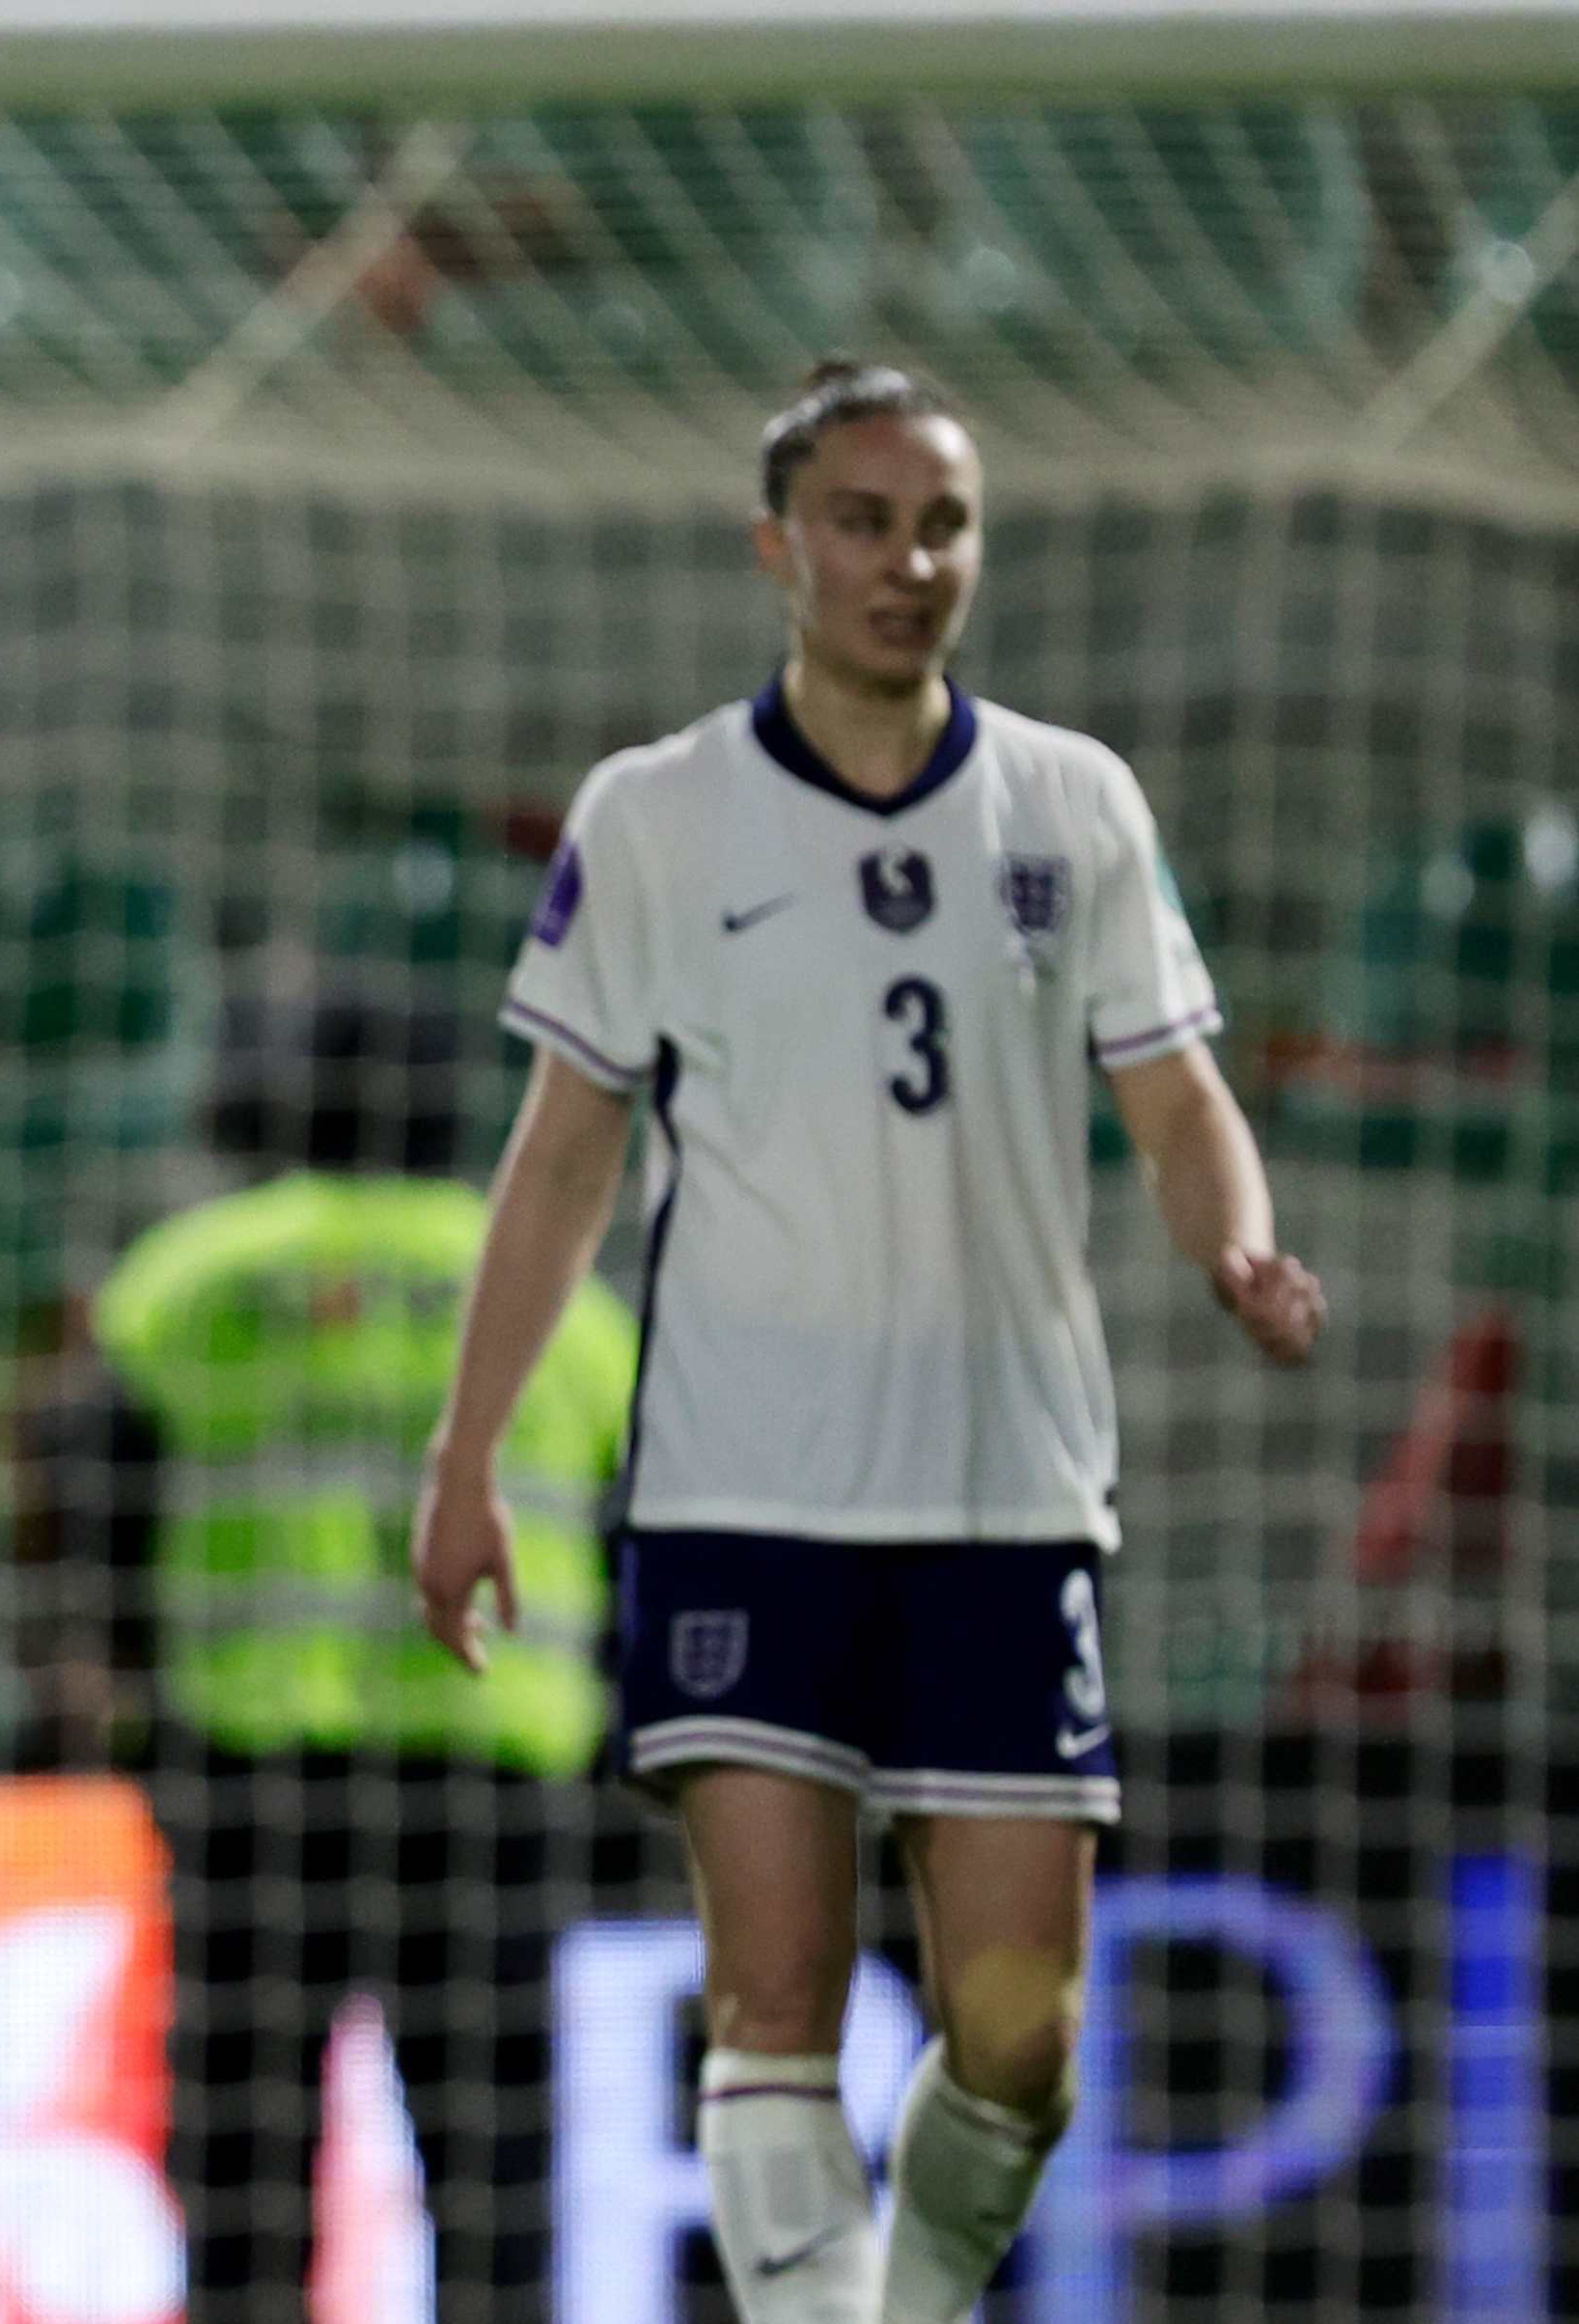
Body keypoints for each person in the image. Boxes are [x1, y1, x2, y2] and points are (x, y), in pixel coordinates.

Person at [409, 359, 1326, 2324]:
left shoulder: (1069, 803)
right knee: (770, 2003)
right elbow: (559, 1158)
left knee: (1018, 2038)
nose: (904, 562)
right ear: (774, 549)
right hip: (743, 1491)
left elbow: (1174, 1104)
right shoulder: (654, 815)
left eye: (939, 525)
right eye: (859, 520)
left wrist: (1234, 1246)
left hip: (1005, 1492)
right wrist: (460, 1460)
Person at [21, 985, 631, 2310]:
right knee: (493, 2179)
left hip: (257, 1784)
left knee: (241, 2167)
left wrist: (114, 1691)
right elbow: (645, 1521)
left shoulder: (190, 1277)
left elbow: (88, 1483)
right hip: (487, 1789)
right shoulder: (560, 1296)